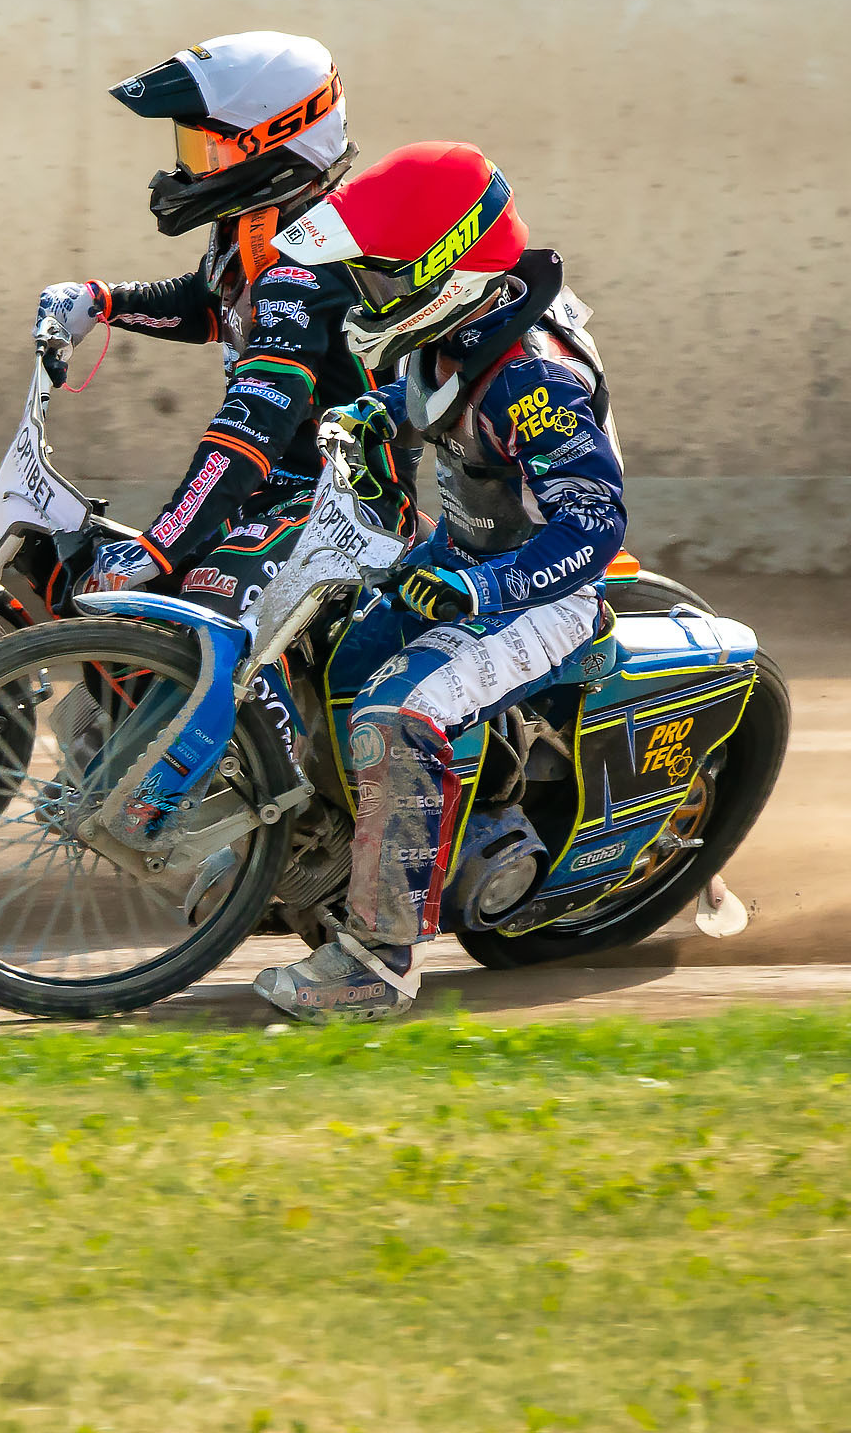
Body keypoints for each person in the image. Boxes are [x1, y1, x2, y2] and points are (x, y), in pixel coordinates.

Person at [248, 141, 627, 1021]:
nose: (362, 298)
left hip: (540, 593)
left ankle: (379, 964)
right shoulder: (454, 335)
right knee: (337, 657)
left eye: (378, 281)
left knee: (398, 710)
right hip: (460, 558)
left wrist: (484, 593)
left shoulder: (535, 375)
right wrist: (363, 420)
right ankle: (349, 854)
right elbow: (424, 405)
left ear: (444, 274)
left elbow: (596, 524)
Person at [31, 31, 392, 632]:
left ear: (280, 142)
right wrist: (102, 301)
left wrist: (164, 541)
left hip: (346, 502)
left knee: (207, 614)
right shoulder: (257, 227)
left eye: (209, 150)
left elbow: (253, 423)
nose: (190, 169)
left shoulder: (313, 260)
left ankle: (263, 729)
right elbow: (210, 304)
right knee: (100, 596)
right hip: (272, 488)